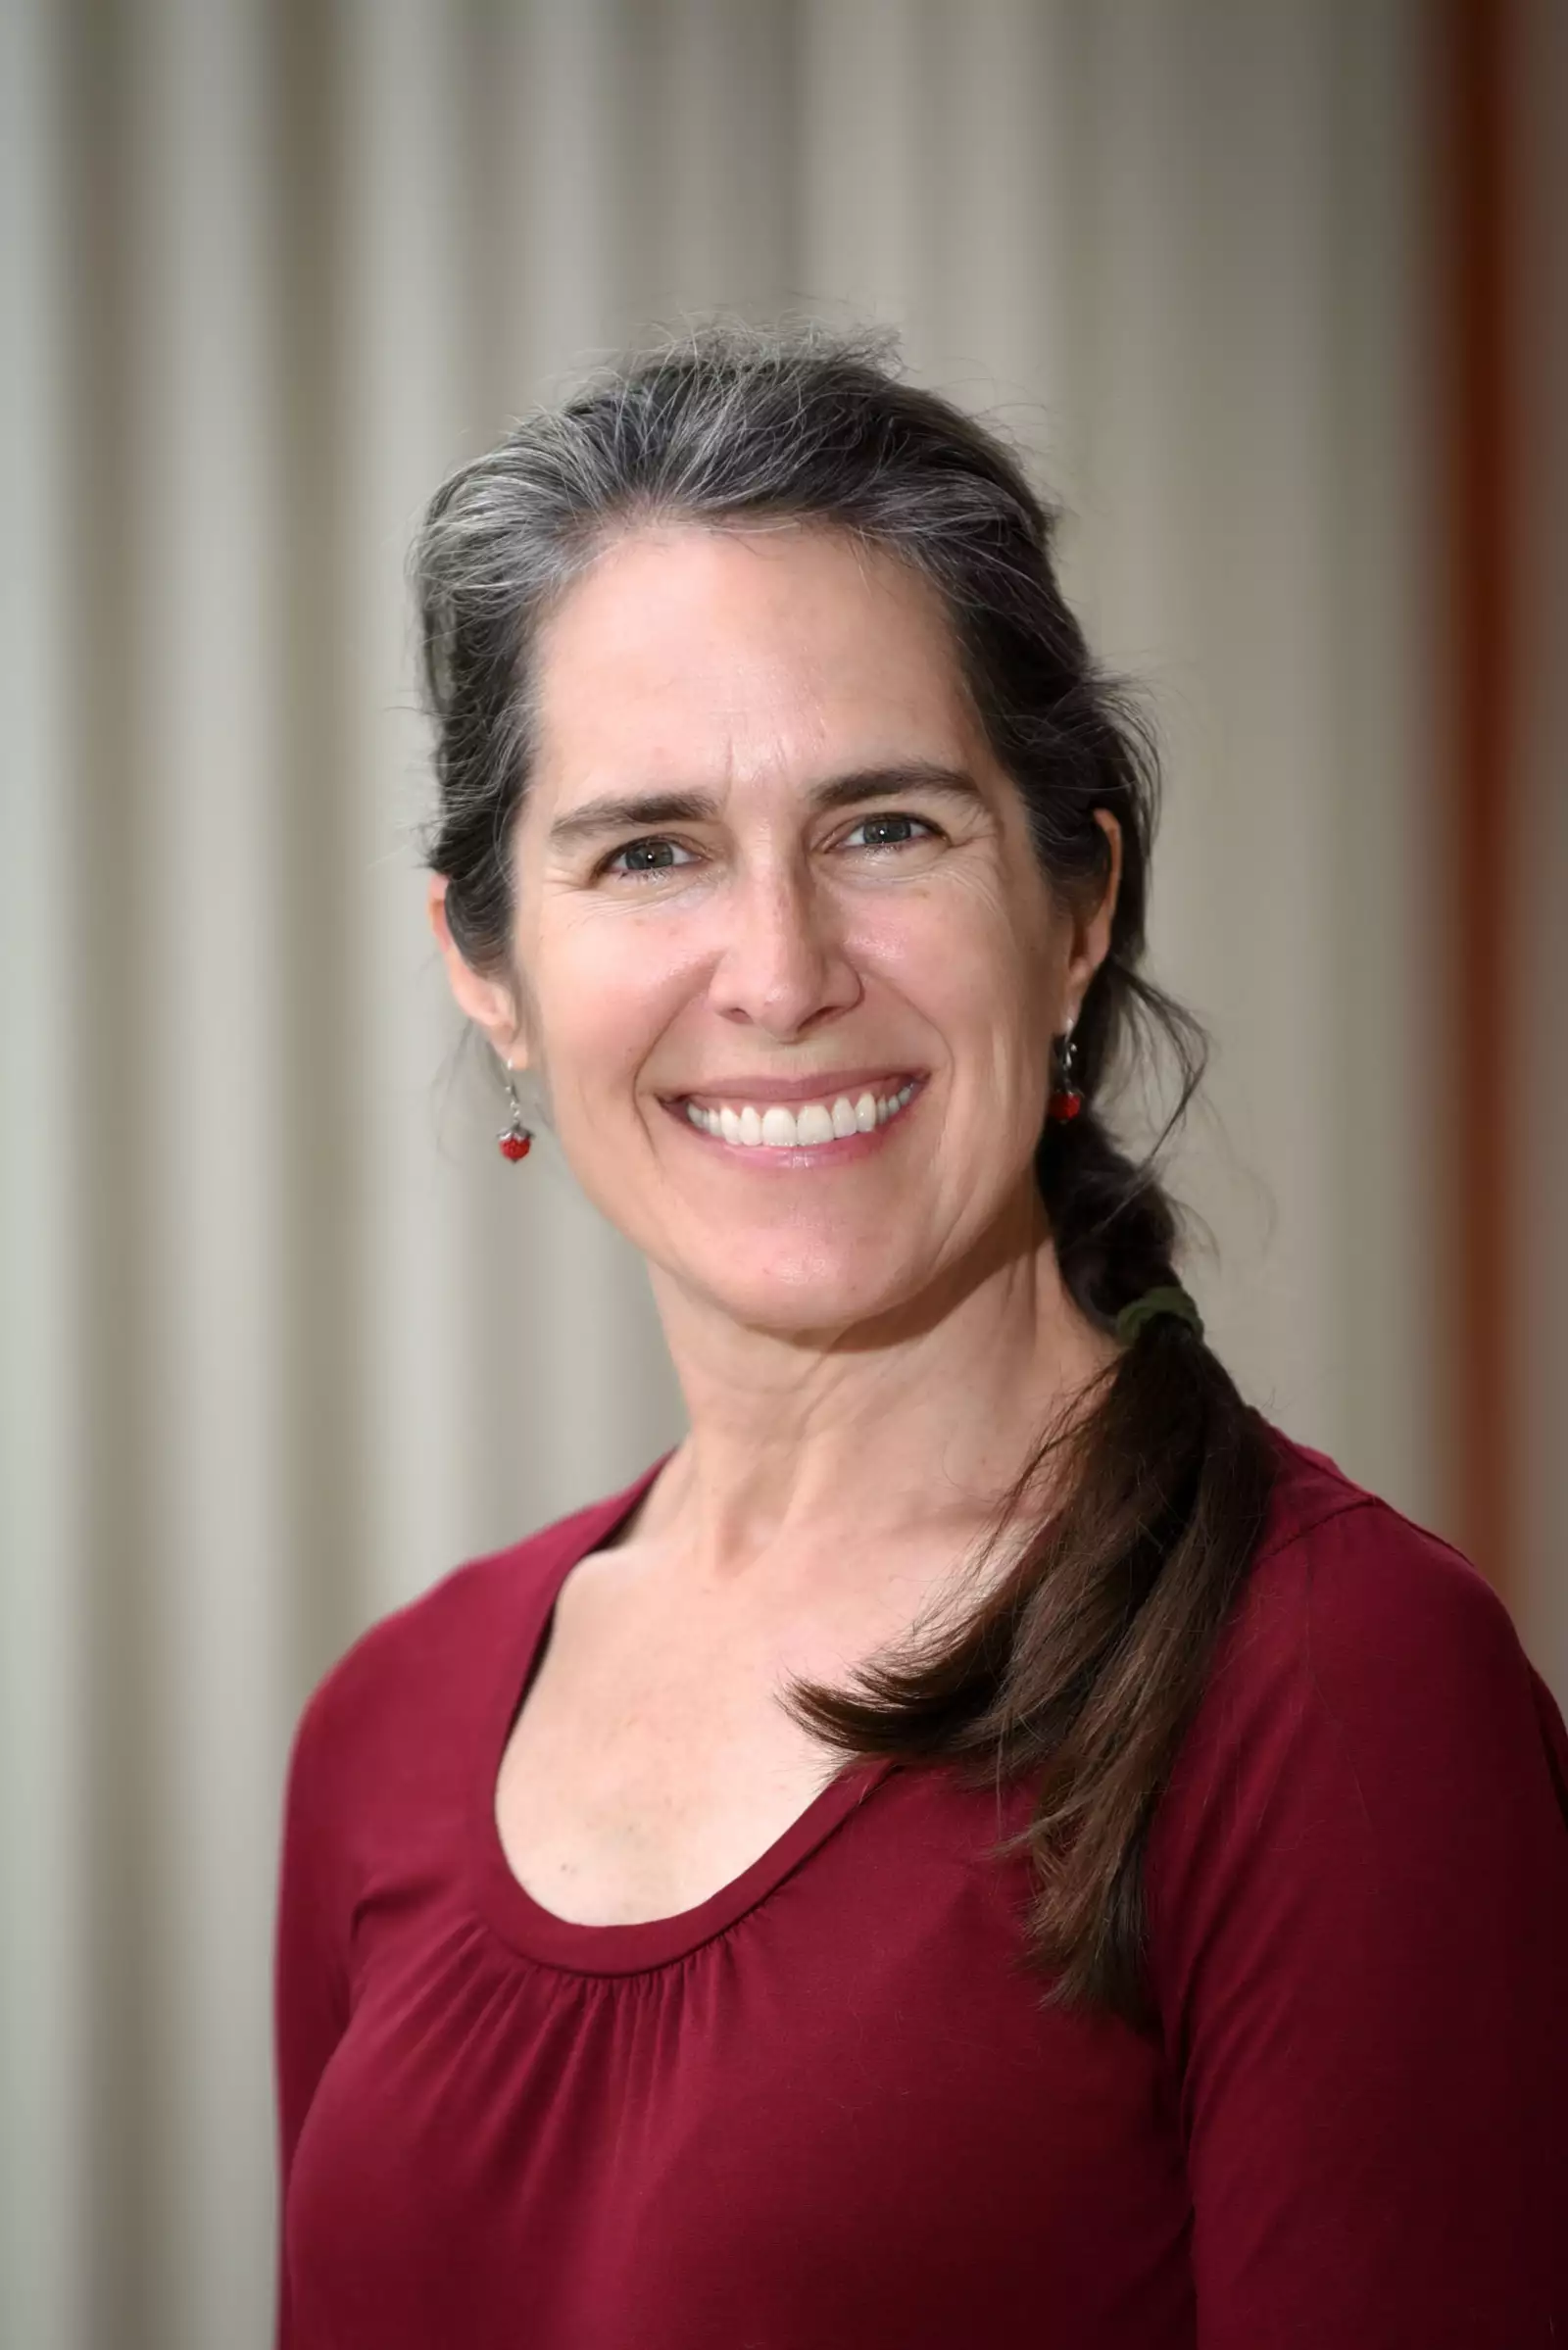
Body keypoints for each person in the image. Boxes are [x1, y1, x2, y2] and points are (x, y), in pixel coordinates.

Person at [272, 323, 1568, 2349]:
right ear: (488, 967)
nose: (778, 971)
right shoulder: (383, 1722)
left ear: (1073, 906)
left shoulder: (1332, 1688)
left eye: (886, 826)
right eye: (647, 850)